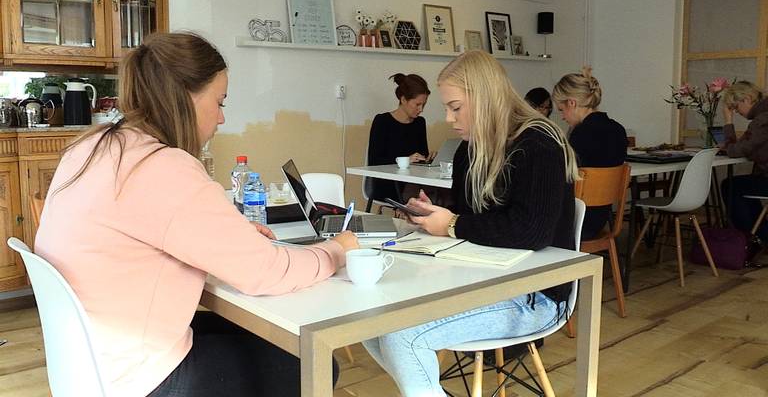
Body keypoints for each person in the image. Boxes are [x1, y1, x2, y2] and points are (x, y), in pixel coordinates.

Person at [34, 32, 359, 397]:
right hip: (141, 376)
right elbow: (266, 274)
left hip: (91, 361)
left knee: (261, 335)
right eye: (220, 101)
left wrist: (228, 236)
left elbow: (145, 231)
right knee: (313, 363)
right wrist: (335, 251)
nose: (221, 117)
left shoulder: (92, 146)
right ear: (186, 96)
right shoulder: (161, 166)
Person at [362, 50, 579, 397]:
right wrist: (436, 214)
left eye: (456, 107)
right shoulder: (470, 149)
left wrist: (451, 225)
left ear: (486, 97)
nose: (448, 118)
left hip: (536, 294)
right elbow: (472, 216)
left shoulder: (539, 144)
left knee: (399, 333)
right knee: (369, 319)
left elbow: (531, 232)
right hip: (482, 279)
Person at [553, 67, 627, 240]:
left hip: (575, 222)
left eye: (561, 110)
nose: (562, 117)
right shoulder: (618, 130)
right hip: (599, 219)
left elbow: (564, 177)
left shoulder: (581, 134)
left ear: (572, 103)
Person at [367, 73, 432, 201]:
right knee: (427, 194)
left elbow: (421, 155)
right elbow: (375, 161)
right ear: (403, 100)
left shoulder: (419, 123)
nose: (421, 109)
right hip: (388, 182)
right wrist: (406, 160)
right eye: (417, 104)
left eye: (423, 105)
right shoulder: (382, 121)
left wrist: (428, 158)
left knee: (445, 192)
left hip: (413, 181)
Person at [719, 80, 768, 242]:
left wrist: (728, 121)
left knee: (730, 186)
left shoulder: (762, 120)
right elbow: (747, 147)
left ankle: (753, 237)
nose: (737, 112)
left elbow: (735, 151)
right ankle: (759, 233)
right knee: (744, 186)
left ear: (746, 99)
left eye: (736, 107)